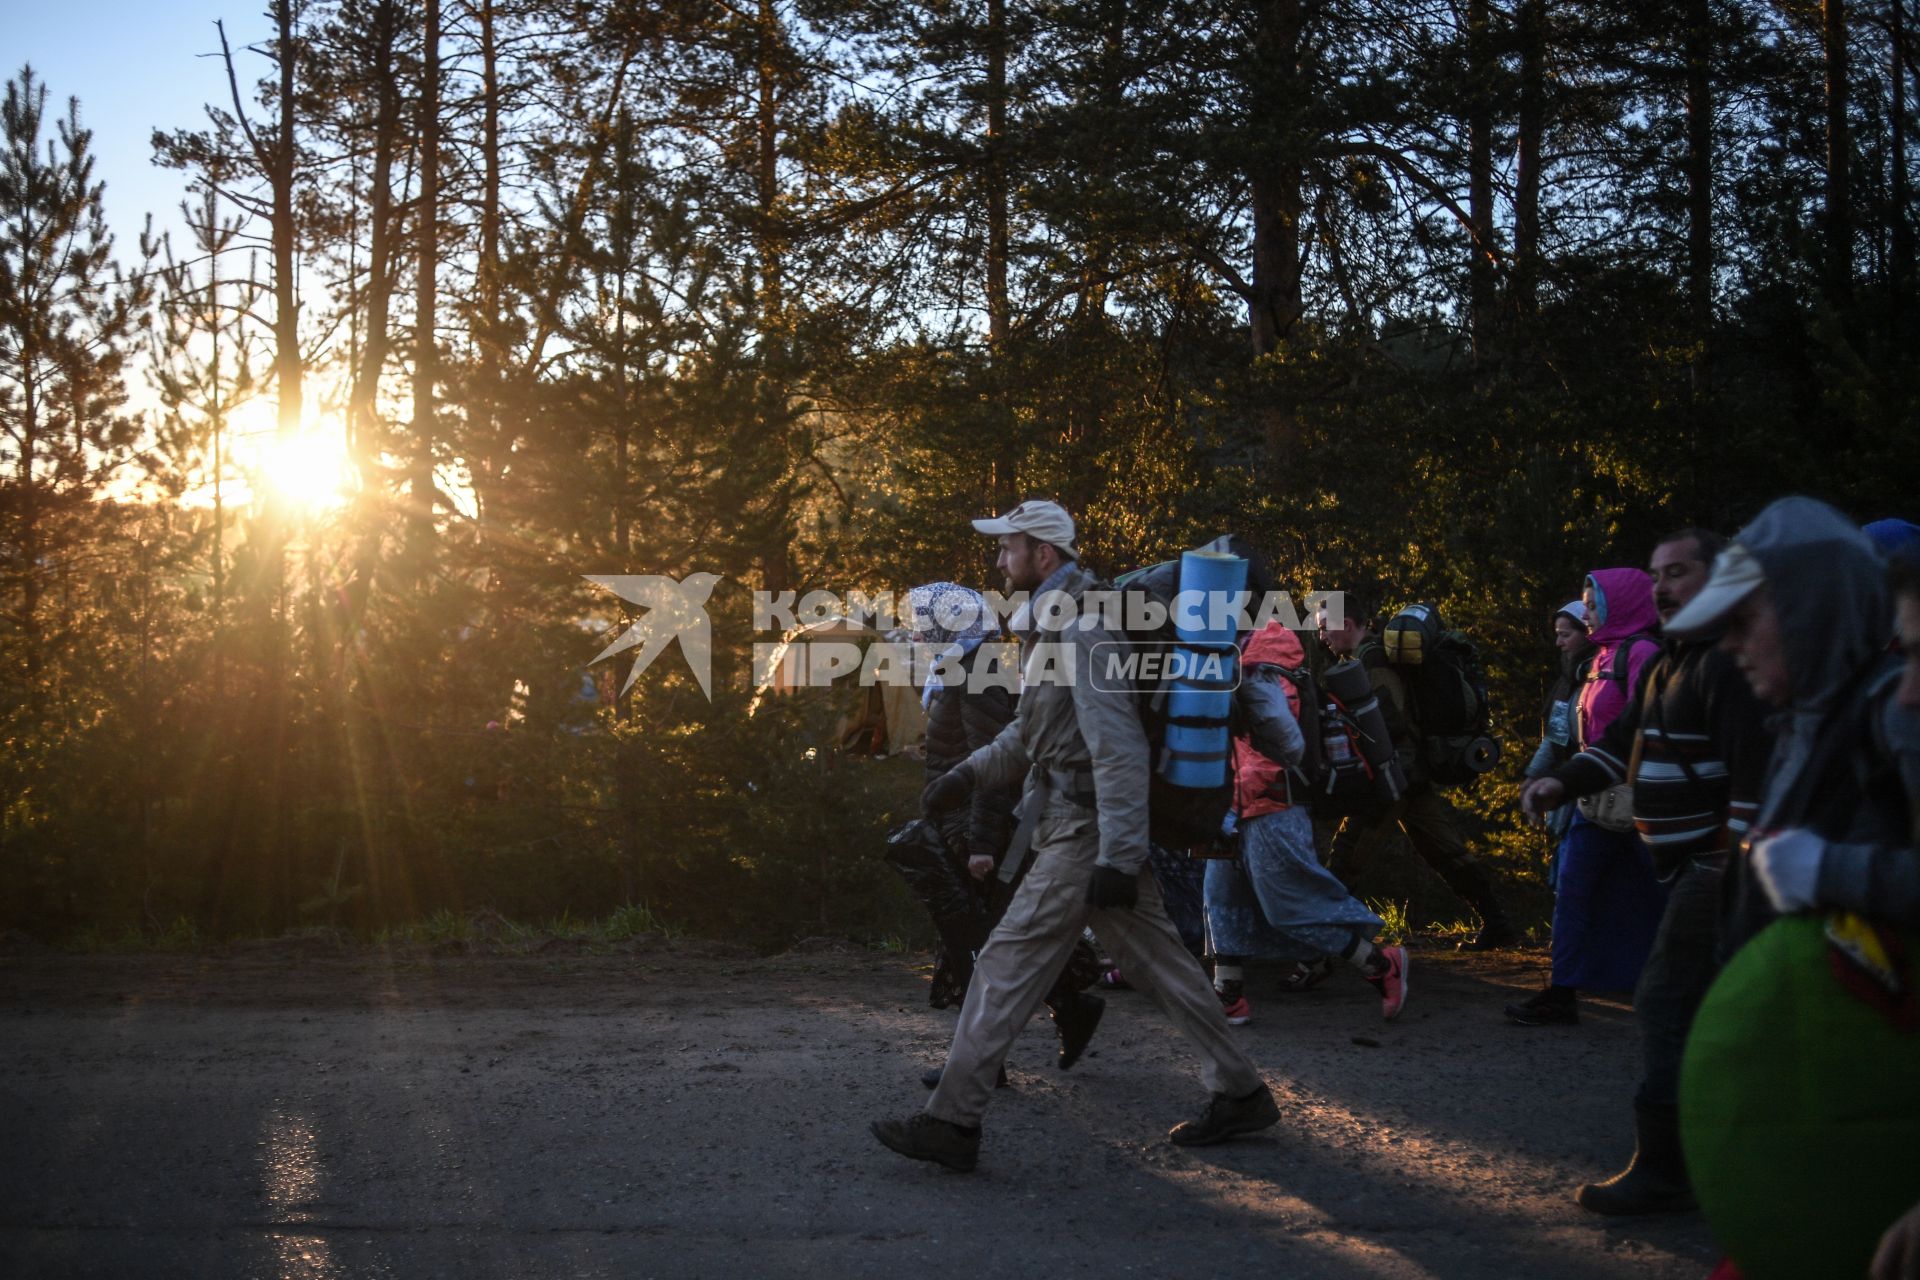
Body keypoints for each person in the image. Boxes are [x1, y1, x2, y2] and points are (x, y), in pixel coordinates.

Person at [871, 499, 1277, 1172]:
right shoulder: (1052, 625)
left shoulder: (1083, 630)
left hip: (1085, 831)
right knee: (1164, 966)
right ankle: (1241, 1092)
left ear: (1044, 556)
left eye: (1009, 549)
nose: (999, 561)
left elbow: (1114, 749)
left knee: (1002, 964)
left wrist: (1118, 856)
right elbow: (1032, 732)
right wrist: (967, 777)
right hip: (1082, 823)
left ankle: (952, 1121)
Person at [1519, 531, 1773, 1214]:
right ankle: (1731, 1151)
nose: (1663, 586)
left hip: (1714, 867)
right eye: (1657, 575)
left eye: (1679, 572)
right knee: (1702, 1006)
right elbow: (1622, 742)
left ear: (1719, 581)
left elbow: (1752, 773)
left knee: (1663, 1000)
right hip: (1689, 865)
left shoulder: (1723, 666)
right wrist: (1557, 786)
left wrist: (1740, 863)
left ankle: (1667, 1169)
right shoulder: (1671, 663)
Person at [1663, 504, 1920, 954]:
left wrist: (1829, 871)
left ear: (1809, 611)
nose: (1727, 643)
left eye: (1742, 620)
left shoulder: (1898, 712)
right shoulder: (1798, 721)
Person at [898, 581, 1105, 1086]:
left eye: (926, 623)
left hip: (976, 831)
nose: (920, 633)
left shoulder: (978, 673)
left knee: (979, 943)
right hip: (960, 825)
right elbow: (962, 749)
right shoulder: (958, 668)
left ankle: (980, 1065)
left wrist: (982, 845)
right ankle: (1071, 1006)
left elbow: (997, 768)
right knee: (997, 936)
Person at [1207, 620, 1410, 1024]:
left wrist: (1232, 800)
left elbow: (1277, 749)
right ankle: (1227, 996)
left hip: (1274, 808)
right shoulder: (1237, 662)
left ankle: (1381, 965)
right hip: (1237, 807)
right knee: (1221, 900)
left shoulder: (1264, 667)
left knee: (1292, 906)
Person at [1506, 566, 1668, 1026]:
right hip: (1593, 802)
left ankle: (1676, 990)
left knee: (1662, 900)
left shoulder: (1643, 654)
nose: (1588, 613)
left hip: (1642, 805)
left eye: (1594, 605)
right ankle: (1562, 992)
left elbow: (1640, 729)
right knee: (1572, 892)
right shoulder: (1599, 659)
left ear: (1623, 604)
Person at [1319, 595, 1521, 950]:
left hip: (1393, 776)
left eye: (1324, 627)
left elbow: (1390, 719)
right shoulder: (1376, 653)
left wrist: (1374, 770)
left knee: (1347, 853)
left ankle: (1324, 942)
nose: (1322, 637)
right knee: (1445, 850)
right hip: (1411, 774)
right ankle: (1498, 922)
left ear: (1347, 624)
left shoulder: (1371, 658)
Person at [1522, 600, 1595, 865]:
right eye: (1557, 635)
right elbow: (1556, 736)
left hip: (1594, 795)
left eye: (1566, 635)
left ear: (1588, 633)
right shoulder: (1568, 680)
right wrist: (1532, 775)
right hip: (1568, 790)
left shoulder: (1601, 678)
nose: (1559, 643)